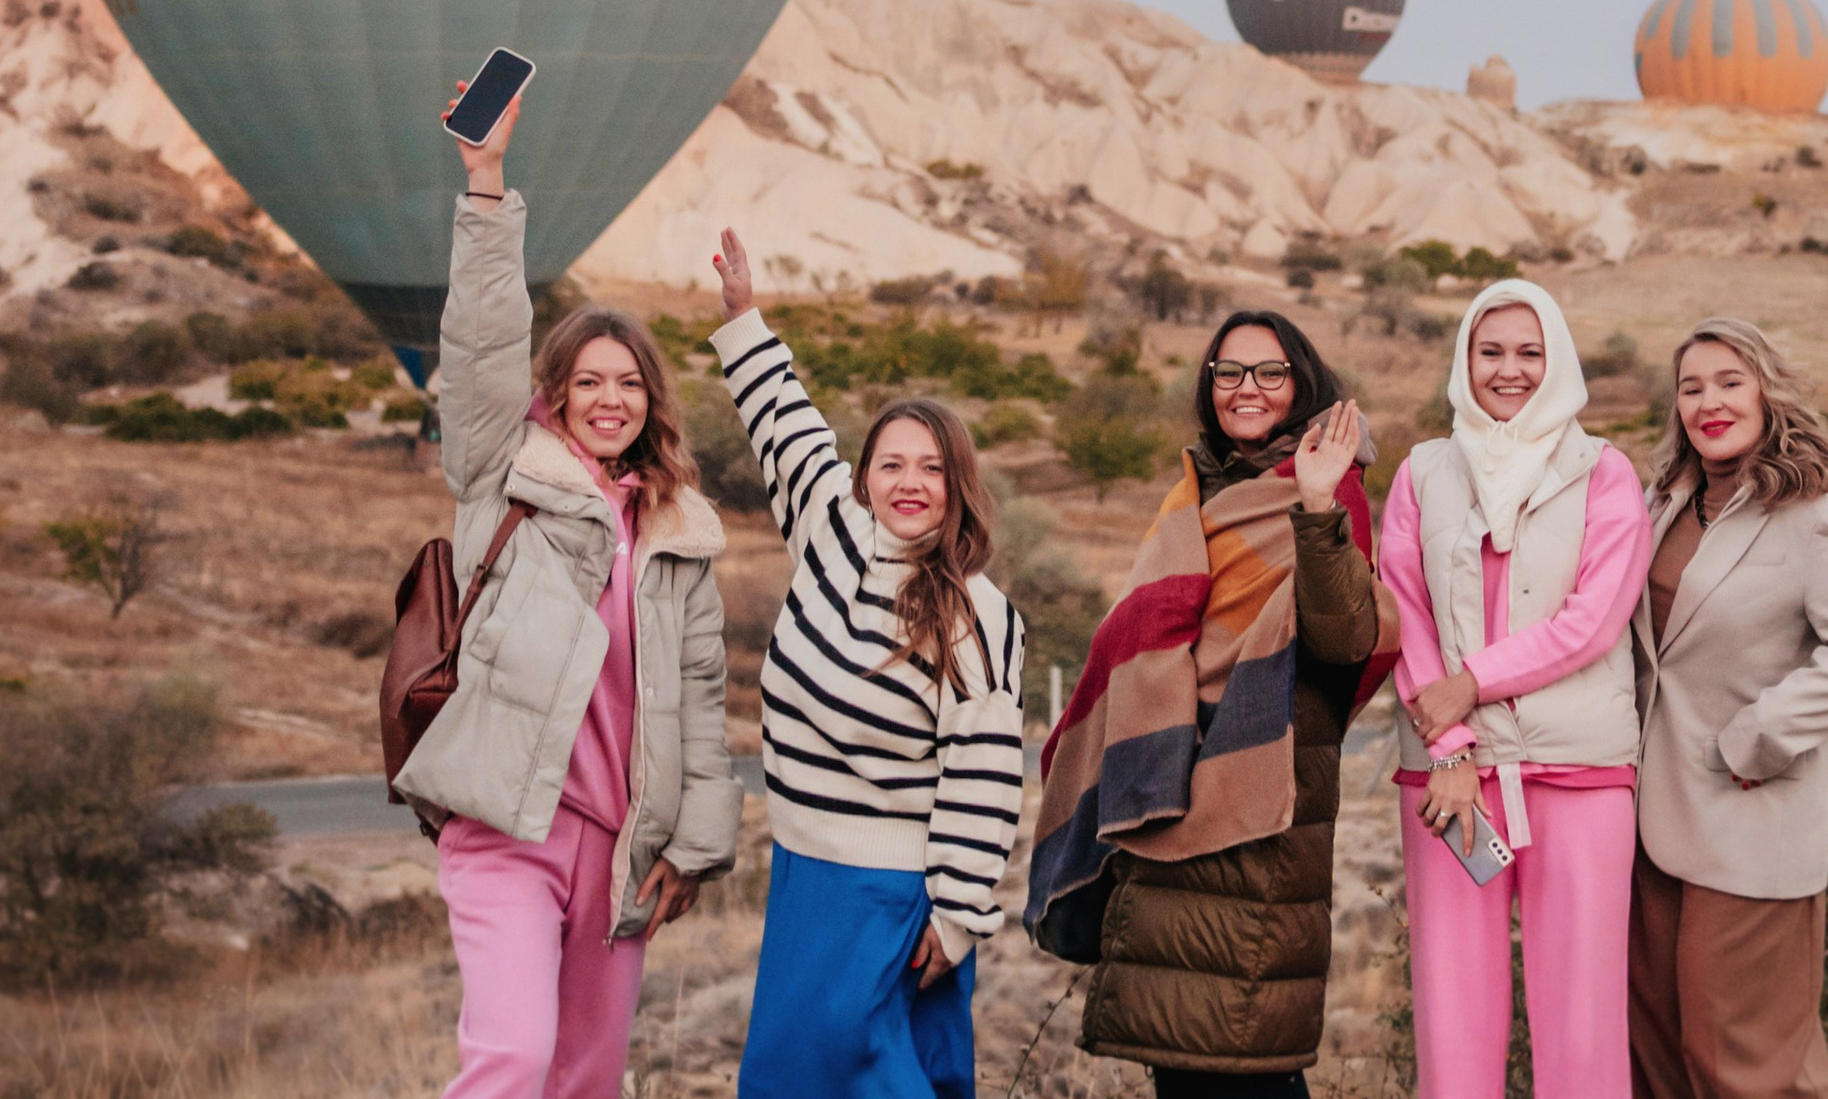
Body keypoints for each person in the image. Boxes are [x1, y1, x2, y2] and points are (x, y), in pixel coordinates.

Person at [394, 81, 740, 1099]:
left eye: (628, 383)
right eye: (588, 380)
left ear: (651, 404)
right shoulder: (504, 471)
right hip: (506, 821)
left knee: (586, 1078)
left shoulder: (679, 535)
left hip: (622, 844)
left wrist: (696, 847)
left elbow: (702, 701)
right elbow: (481, 347)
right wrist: (488, 187)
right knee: (510, 1058)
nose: (609, 399)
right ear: (555, 392)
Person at [1026, 308, 1400, 1099]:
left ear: (1302, 384)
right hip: (1161, 795)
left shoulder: (1329, 492)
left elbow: (1346, 640)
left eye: (1269, 372)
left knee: (1243, 1063)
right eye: (1227, 372)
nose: (1246, 388)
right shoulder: (1193, 493)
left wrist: (1318, 505)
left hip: (1257, 810)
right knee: (1186, 1063)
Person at [709, 227, 1026, 1099]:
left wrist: (958, 917)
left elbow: (986, 778)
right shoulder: (831, 531)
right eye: (891, 464)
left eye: (931, 467)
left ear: (958, 483)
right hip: (806, 873)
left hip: (893, 897)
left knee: (852, 1082)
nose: (910, 482)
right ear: (865, 477)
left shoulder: (977, 616)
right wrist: (744, 319)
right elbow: (785, 424)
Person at [1384, 279, 1653, 1099]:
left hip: (1577, 775)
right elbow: (1403, 609)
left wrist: (1472, 685)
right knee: (1452, 1011)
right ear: (1464, 359)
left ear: (1559, 360)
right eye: (1490, 351)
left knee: (1583, 1015)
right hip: (1452, 782)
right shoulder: (1424, 472)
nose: (1510, 371)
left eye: (1530, 353)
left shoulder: (1604, 474)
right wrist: (1450, 743)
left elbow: (1593, 621)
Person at [1627, 319, 1828, 1099]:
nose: (1709, 401)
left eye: (1729, 381)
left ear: (1767, 391)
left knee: (1742, 1066)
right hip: (1649, 828)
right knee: (1659, 1056)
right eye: (1691, 388)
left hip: (1749, 824)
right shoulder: (1663, 506)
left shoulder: (1814, 519)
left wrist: (1760, 738)